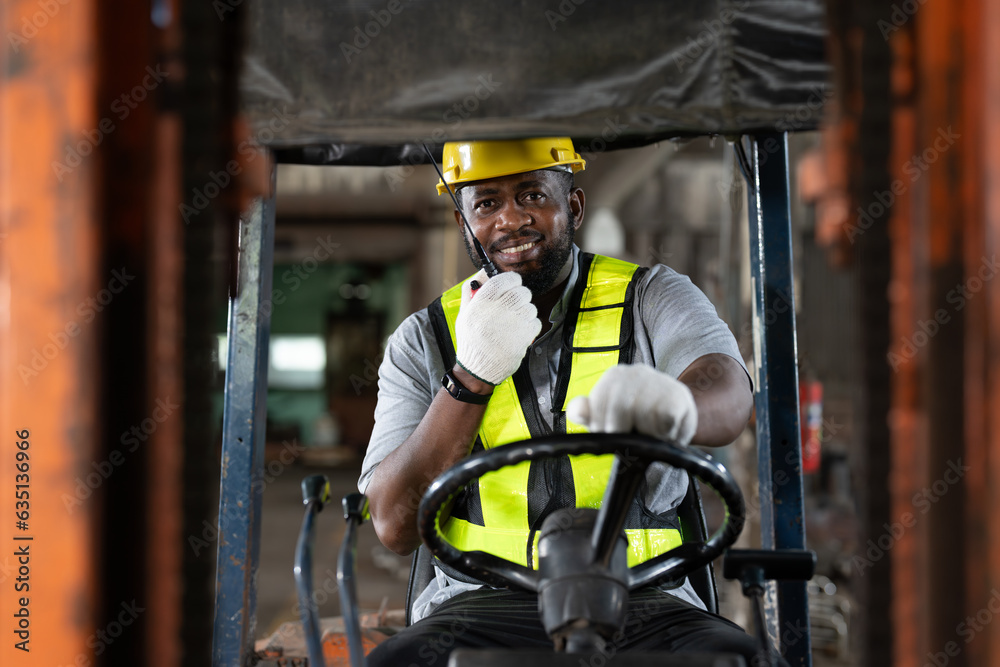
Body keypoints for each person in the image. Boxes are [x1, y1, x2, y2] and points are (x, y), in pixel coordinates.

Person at [359, 137, 765, 664]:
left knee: (739, 659)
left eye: (531, 195)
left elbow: (727, 390)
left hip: (646, 596)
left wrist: (676, 404)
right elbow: (393, 524)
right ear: (463, 223)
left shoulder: (652, 296)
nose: (511, 220)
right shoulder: (424, 338)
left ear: (572, 206)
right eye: (486, 203)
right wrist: (470, 377)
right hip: (481, 602)